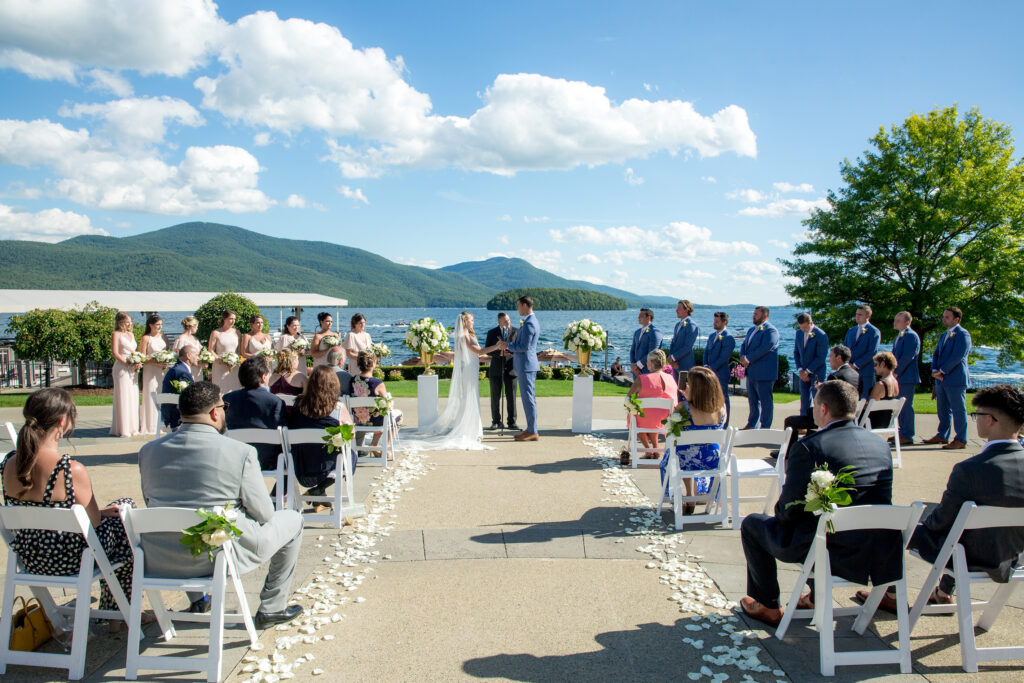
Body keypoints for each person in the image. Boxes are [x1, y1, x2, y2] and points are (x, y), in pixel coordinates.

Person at [138, 381, 304, 628]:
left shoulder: (148, 451)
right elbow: (265, 513)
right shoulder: (240, 452)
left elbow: (151, 502)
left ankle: (199, 599)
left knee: (183, 519)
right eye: (223, 406)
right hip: (219, 556)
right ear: (215, 412)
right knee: (292, 519)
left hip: (160, 556)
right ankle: (272, 606)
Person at [739, 381, 898, 626]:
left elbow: (790, 507)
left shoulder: (809, 447)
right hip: (878, 548)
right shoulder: (880, 445)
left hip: (829, 549)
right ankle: (822, 596)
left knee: (753, 525)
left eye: (814, 405)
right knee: (819, 518)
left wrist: (780, 515)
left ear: (823, 409)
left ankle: (768, 605)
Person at [854, 385, 1024, 611]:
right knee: (962, 522)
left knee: (895, 525)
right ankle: (944, 592)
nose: (976, 420)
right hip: (1013, 554)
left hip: (970, 557)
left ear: (991, 420)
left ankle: (891, 595)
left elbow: (941, 522)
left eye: (977, 415)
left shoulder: (970, 470)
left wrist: (921, 519)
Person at [2, 388, 138, 625]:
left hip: (32, 558)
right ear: (63, 421)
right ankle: (115, 614)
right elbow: (94, 523)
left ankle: (116, 613)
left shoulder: (9, 464)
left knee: (116, 517)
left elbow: (43, 508)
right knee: (126, 515)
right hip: (74, 559)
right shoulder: (69, 470)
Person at [401, 312, 500, 451]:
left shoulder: (465, 335)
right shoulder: (464, 336)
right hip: (468, 370)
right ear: (465, 321)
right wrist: (496, 347)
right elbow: (479, 351)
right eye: (472, 320)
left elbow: (474, 354)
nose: (473, 322)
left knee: (470, 397)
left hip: (470, 368)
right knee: (470, 397)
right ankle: (470, 430)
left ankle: (472, 428)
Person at [659, 367, 726, 514]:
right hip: (712, 461)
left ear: (695, 388)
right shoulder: (721, 409)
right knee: (693, 450)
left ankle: (685, 497)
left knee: (676, 454)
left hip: (685, 460)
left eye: (689, 384)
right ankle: (691, 496)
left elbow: (672, 431)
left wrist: (684, 399)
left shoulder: (684, 408)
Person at [781, 345, 861, 454]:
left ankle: (787, 452)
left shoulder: (835, 376)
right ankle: (807, 444)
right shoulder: (857, 375)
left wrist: (821, 390)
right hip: (850, 416)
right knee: (810, 412)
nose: (828, 360)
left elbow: (827, 399)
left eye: (831, 356)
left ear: (839, 358)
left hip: (833, 416)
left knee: (791, 420)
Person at [288, 366, 353, 499]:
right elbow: (350, 435)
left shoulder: (297, 405)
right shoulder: (338, 407)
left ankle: (320, 496)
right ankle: (319, 489)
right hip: (326, 465)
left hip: (301, 464)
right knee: (351, 456)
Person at [224, 357, 287, 470]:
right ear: (263, 377)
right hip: (266, 461)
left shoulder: (228, 398)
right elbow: (282, 434)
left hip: (233, 458)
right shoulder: (275, 402)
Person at [924, 306, 972, 450]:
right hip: (940, 378)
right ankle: (942, 435)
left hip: (955, 378)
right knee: (942, 409)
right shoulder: (943, 335)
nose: (943, 319)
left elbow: (958, 355)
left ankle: (961, 439)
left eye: (947, 317)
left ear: (956, 319)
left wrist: (942, 371)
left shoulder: (963, 334)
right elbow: (936, 354)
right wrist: (934, 370)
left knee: (958, 410)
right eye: (943, 316)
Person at [499, 297, 540, 442]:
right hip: (525, 365)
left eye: (518, 306)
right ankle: (530, 429)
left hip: (526, 366)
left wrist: (507, 346)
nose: (517, 309)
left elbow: (525, 347)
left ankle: (533, 431)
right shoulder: (530, 321)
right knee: (528, 398)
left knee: (528, 398)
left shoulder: (529, 324)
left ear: (524, 305)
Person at [626, 350, 678, 462]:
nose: (646, 364)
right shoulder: (671, 379)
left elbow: (628, 398)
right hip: (665, 420)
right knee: (654, 415)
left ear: (652, 362)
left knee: (637, 414)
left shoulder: (642, 379)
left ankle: (649, 449)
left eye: (648, 361)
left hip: (645, 419)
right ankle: (655, 448)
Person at [739, 306, 779, 430]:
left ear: (765, 316)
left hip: (764, 372)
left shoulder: (771, 331)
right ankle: (752, 425)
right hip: (751, 372)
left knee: (766, 402)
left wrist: (748, 359)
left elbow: (765, 347)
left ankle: (765, 427)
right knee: (753, 401)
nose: (754, 316)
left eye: (756, 314)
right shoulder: (751, 330)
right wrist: (742, 357)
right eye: (754, 313)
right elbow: (744, 345)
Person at [891, 311, 920, 446]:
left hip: (906, 377)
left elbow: (908, 357)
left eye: (899, 320)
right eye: (895, 319)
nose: (895, 322)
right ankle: (901, 432)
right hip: (899, 377)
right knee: (899, 406)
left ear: (907, 322)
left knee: (906, 406)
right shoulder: (900, 336)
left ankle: (907, 435)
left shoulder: (911, 336)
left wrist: (896, 372)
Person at [110, 311, 141, 437]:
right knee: (123, 395)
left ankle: (133, 426)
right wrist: (128, 363)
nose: (130, 324)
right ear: (120, 322)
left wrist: (138, 361)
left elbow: (134, 351)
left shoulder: (131, 334)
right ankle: (123, 428)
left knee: (132, 395)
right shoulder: (116, 334)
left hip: (132, 368)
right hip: (122, 368)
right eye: (127, 321)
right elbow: (115, 353)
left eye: (131, 321)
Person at [485, 312, 518, 431]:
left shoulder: (516, 331)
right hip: (496, 369)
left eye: (508, 320)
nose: (508, 322)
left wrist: (511, 352)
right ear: (499, 322)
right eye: (505, 321)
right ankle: (496, 421)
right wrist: (499, 353)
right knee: (495, 396)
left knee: (511, 397)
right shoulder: (492, 333)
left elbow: (520, 348)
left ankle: (512, 422)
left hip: (511, 368)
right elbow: (487, 350)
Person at [139, 313, 170, 435]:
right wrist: (155, 360)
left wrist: (166, 360)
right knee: (151, 394)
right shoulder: (146, 338)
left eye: (161, 325)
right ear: (150, 325)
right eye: (157, 325)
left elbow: (167, 352)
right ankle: (149, 424)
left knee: (161, 392)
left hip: (162, 370)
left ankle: (162, 423)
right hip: (150, 370)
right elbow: (142, 356)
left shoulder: (164, 337)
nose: (160, 327)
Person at [703, 311, 735, 426]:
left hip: (721, 374)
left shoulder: (729, 338)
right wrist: (705, 366)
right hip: (709, 372)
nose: (714, 323)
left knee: (723, 399)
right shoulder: (712, 336)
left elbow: (723, 357)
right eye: (714, 321)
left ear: (724, 322)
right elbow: (706, 352)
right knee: (710, 399)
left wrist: (711, 368)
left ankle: (725, 424)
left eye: (717, 321)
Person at [793, 313, 828, 417]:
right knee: (804, 399)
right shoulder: (799, 333)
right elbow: (796, 352)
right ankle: (803, 422)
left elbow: (821, 357)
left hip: (817, 372)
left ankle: (818, 421)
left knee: (817, 398)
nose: (803, 330)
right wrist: (800, 370)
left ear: (811, 323)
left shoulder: (821, 335)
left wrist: (807, 371)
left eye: (805, 327)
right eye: (801, 327)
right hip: (803, 372)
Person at [843, 305, 881, 400]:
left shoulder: (874, 331)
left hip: (865, 372)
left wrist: (856, 364)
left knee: (864, 400)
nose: (857, 316)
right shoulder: (851, 331)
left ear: (868, 316)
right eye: (856, 314)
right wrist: (847, 364)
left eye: (860, 314)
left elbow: (872, 352)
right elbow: (845, 349)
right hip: (850, 372)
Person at [161, 346, 197, 430]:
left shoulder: (178, 368)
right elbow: (190, 395)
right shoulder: (182, 372)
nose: (198, 357)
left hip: (171, 411)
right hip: (176, 416)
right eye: (196, 355)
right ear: (188, 356)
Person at [860, 351, 899, 428]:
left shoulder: (880, 385)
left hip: (873, 422)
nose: (874, 367)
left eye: (876, 365)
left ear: (883, 364)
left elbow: (871, 406)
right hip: (886, 420)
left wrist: (860, 405)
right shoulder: (895, 383)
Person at [209, 309, 241, 393]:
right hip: (219, 365)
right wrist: (221, 361)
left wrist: (235, 361)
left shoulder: (237, 332)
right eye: (230, 319)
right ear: (224, 319)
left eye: (234, 319)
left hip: (234, 366)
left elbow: (239, 351)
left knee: (234, 389)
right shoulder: (216, 333)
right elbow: (211, 350)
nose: (233, 321)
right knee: (220, 389)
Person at [629, 308, 663, 377]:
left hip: (647, 370)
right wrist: (633, 364)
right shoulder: (637, 332)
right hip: (636, 371)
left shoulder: (655, 332)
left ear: (648, 318)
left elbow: (652, 352)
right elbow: (632, 350)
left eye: (641, 315)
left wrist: (638, 365)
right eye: (638, 315)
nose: (638, 317)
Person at [668, 300, 699, 375]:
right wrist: (671, 359)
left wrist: (673, 357)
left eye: (679, 308)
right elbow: (673, 343)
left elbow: (687, 346)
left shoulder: (691, 325)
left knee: (685, 386)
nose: (676, 310)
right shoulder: (677, 325)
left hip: (685, 365)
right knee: (676, 386)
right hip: (675, 365)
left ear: (686, 310)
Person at [173, 315, 203, 381]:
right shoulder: (181, 339)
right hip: (188, 368)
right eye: (196, 327)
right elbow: (179, 356)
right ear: (192, 326)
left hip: (197, 369)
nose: (197, 329)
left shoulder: (195, 338)